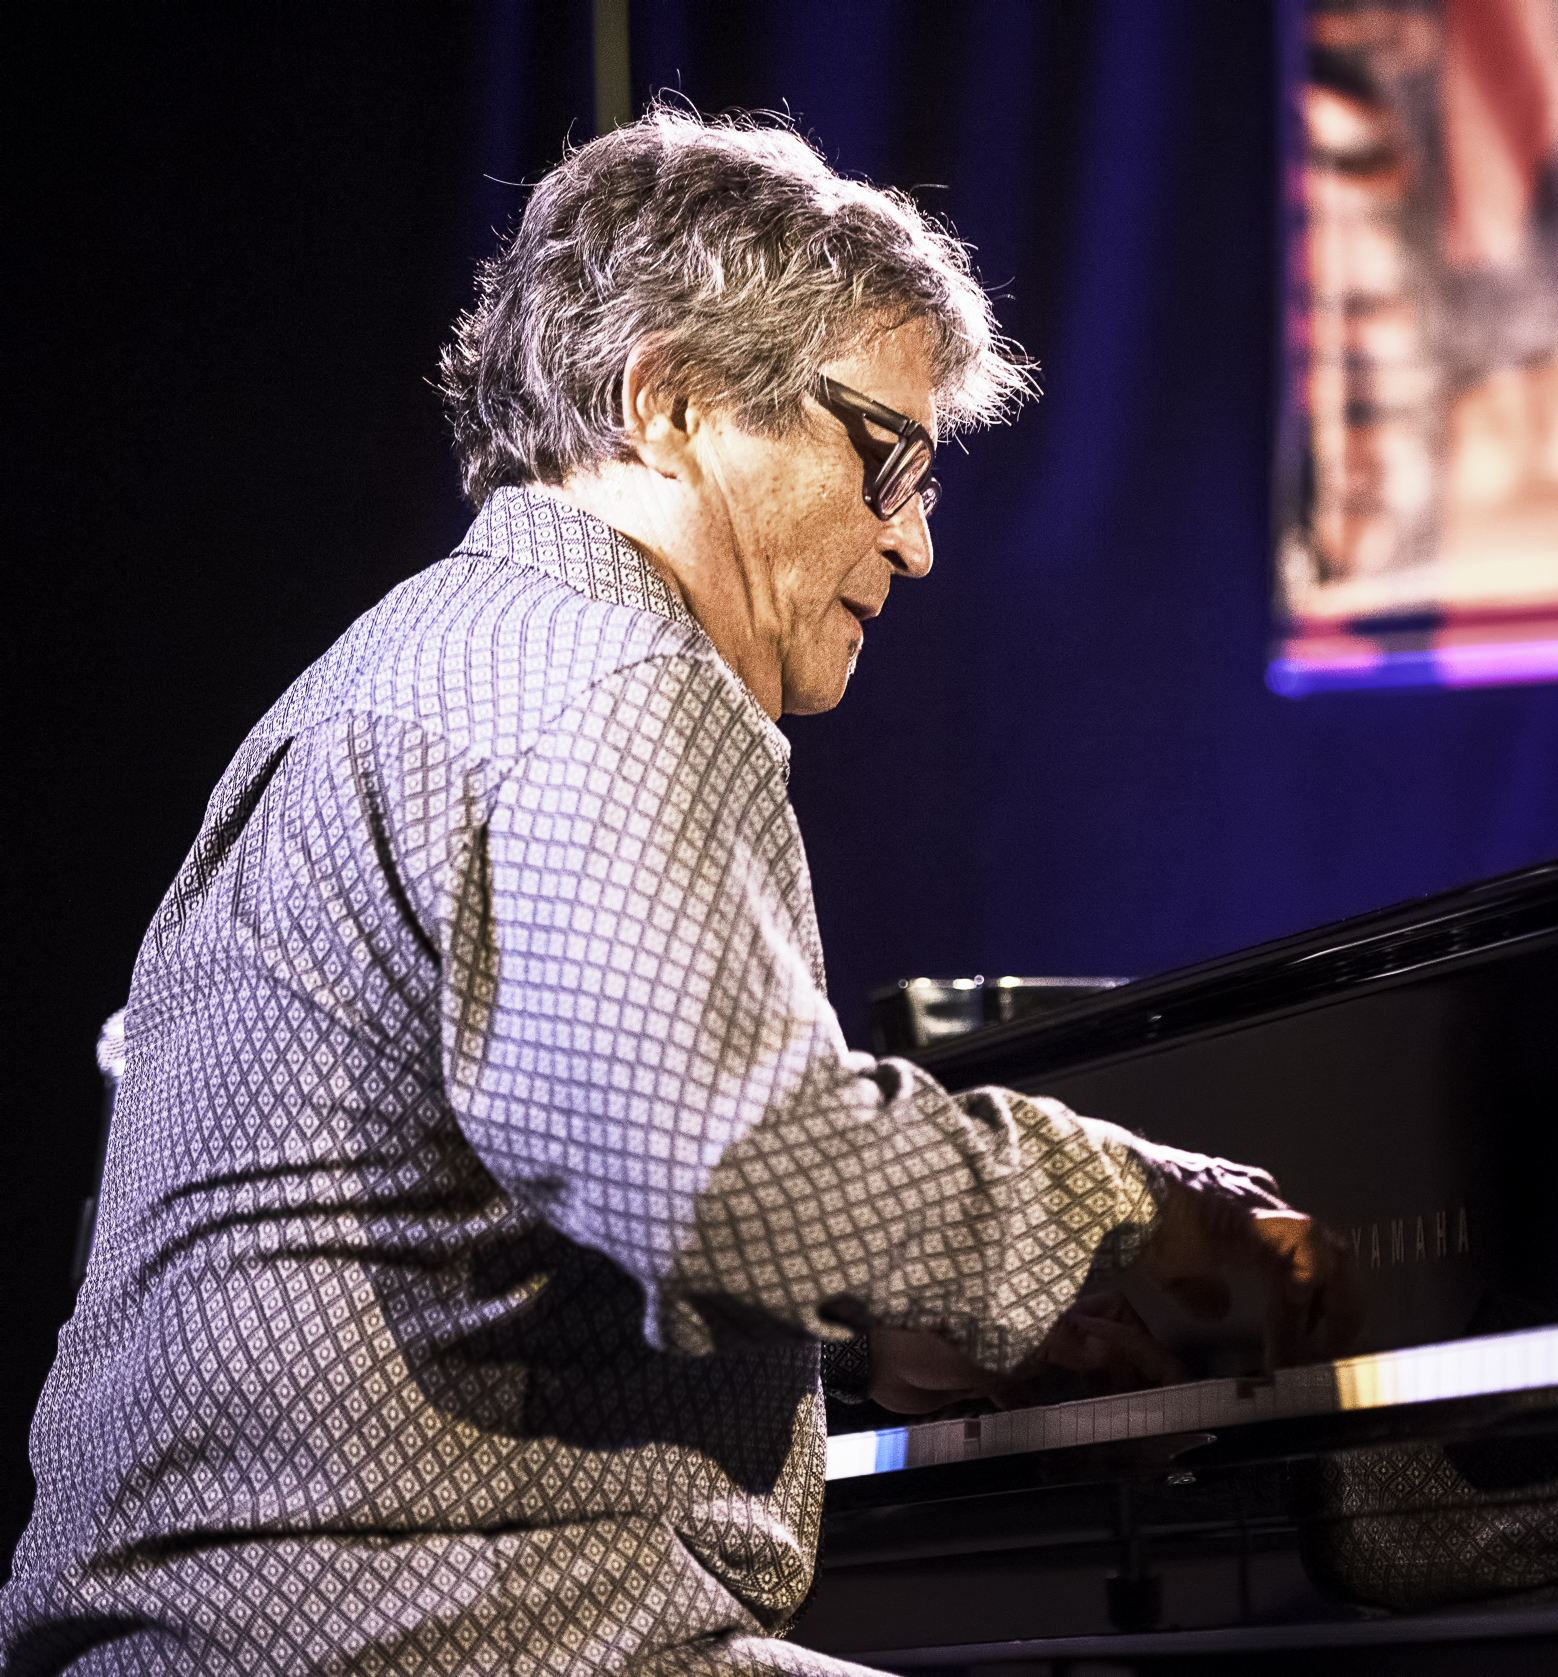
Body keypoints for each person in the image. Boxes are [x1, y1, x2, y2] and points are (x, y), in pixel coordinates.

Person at [0, 110, 1351, 1676]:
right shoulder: (612, 672)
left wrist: (885, 1330)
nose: (915, 543)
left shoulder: (387, 673)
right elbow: (729, 1166)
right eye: (887, 456)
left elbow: (514, 1216)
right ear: (671, 400)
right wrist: (1134, 1215)